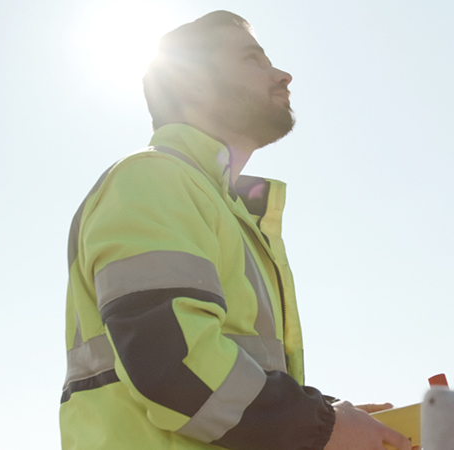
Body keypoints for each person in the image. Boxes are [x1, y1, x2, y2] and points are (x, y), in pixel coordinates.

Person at [60, 11, 412, 450]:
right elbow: (172, 362)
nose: (283, 75)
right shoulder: (152, 178)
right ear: (190, 82)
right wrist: (321, 426)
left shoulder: (229, 212)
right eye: (253, 60)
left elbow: (222, 371)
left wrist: (333, 415)